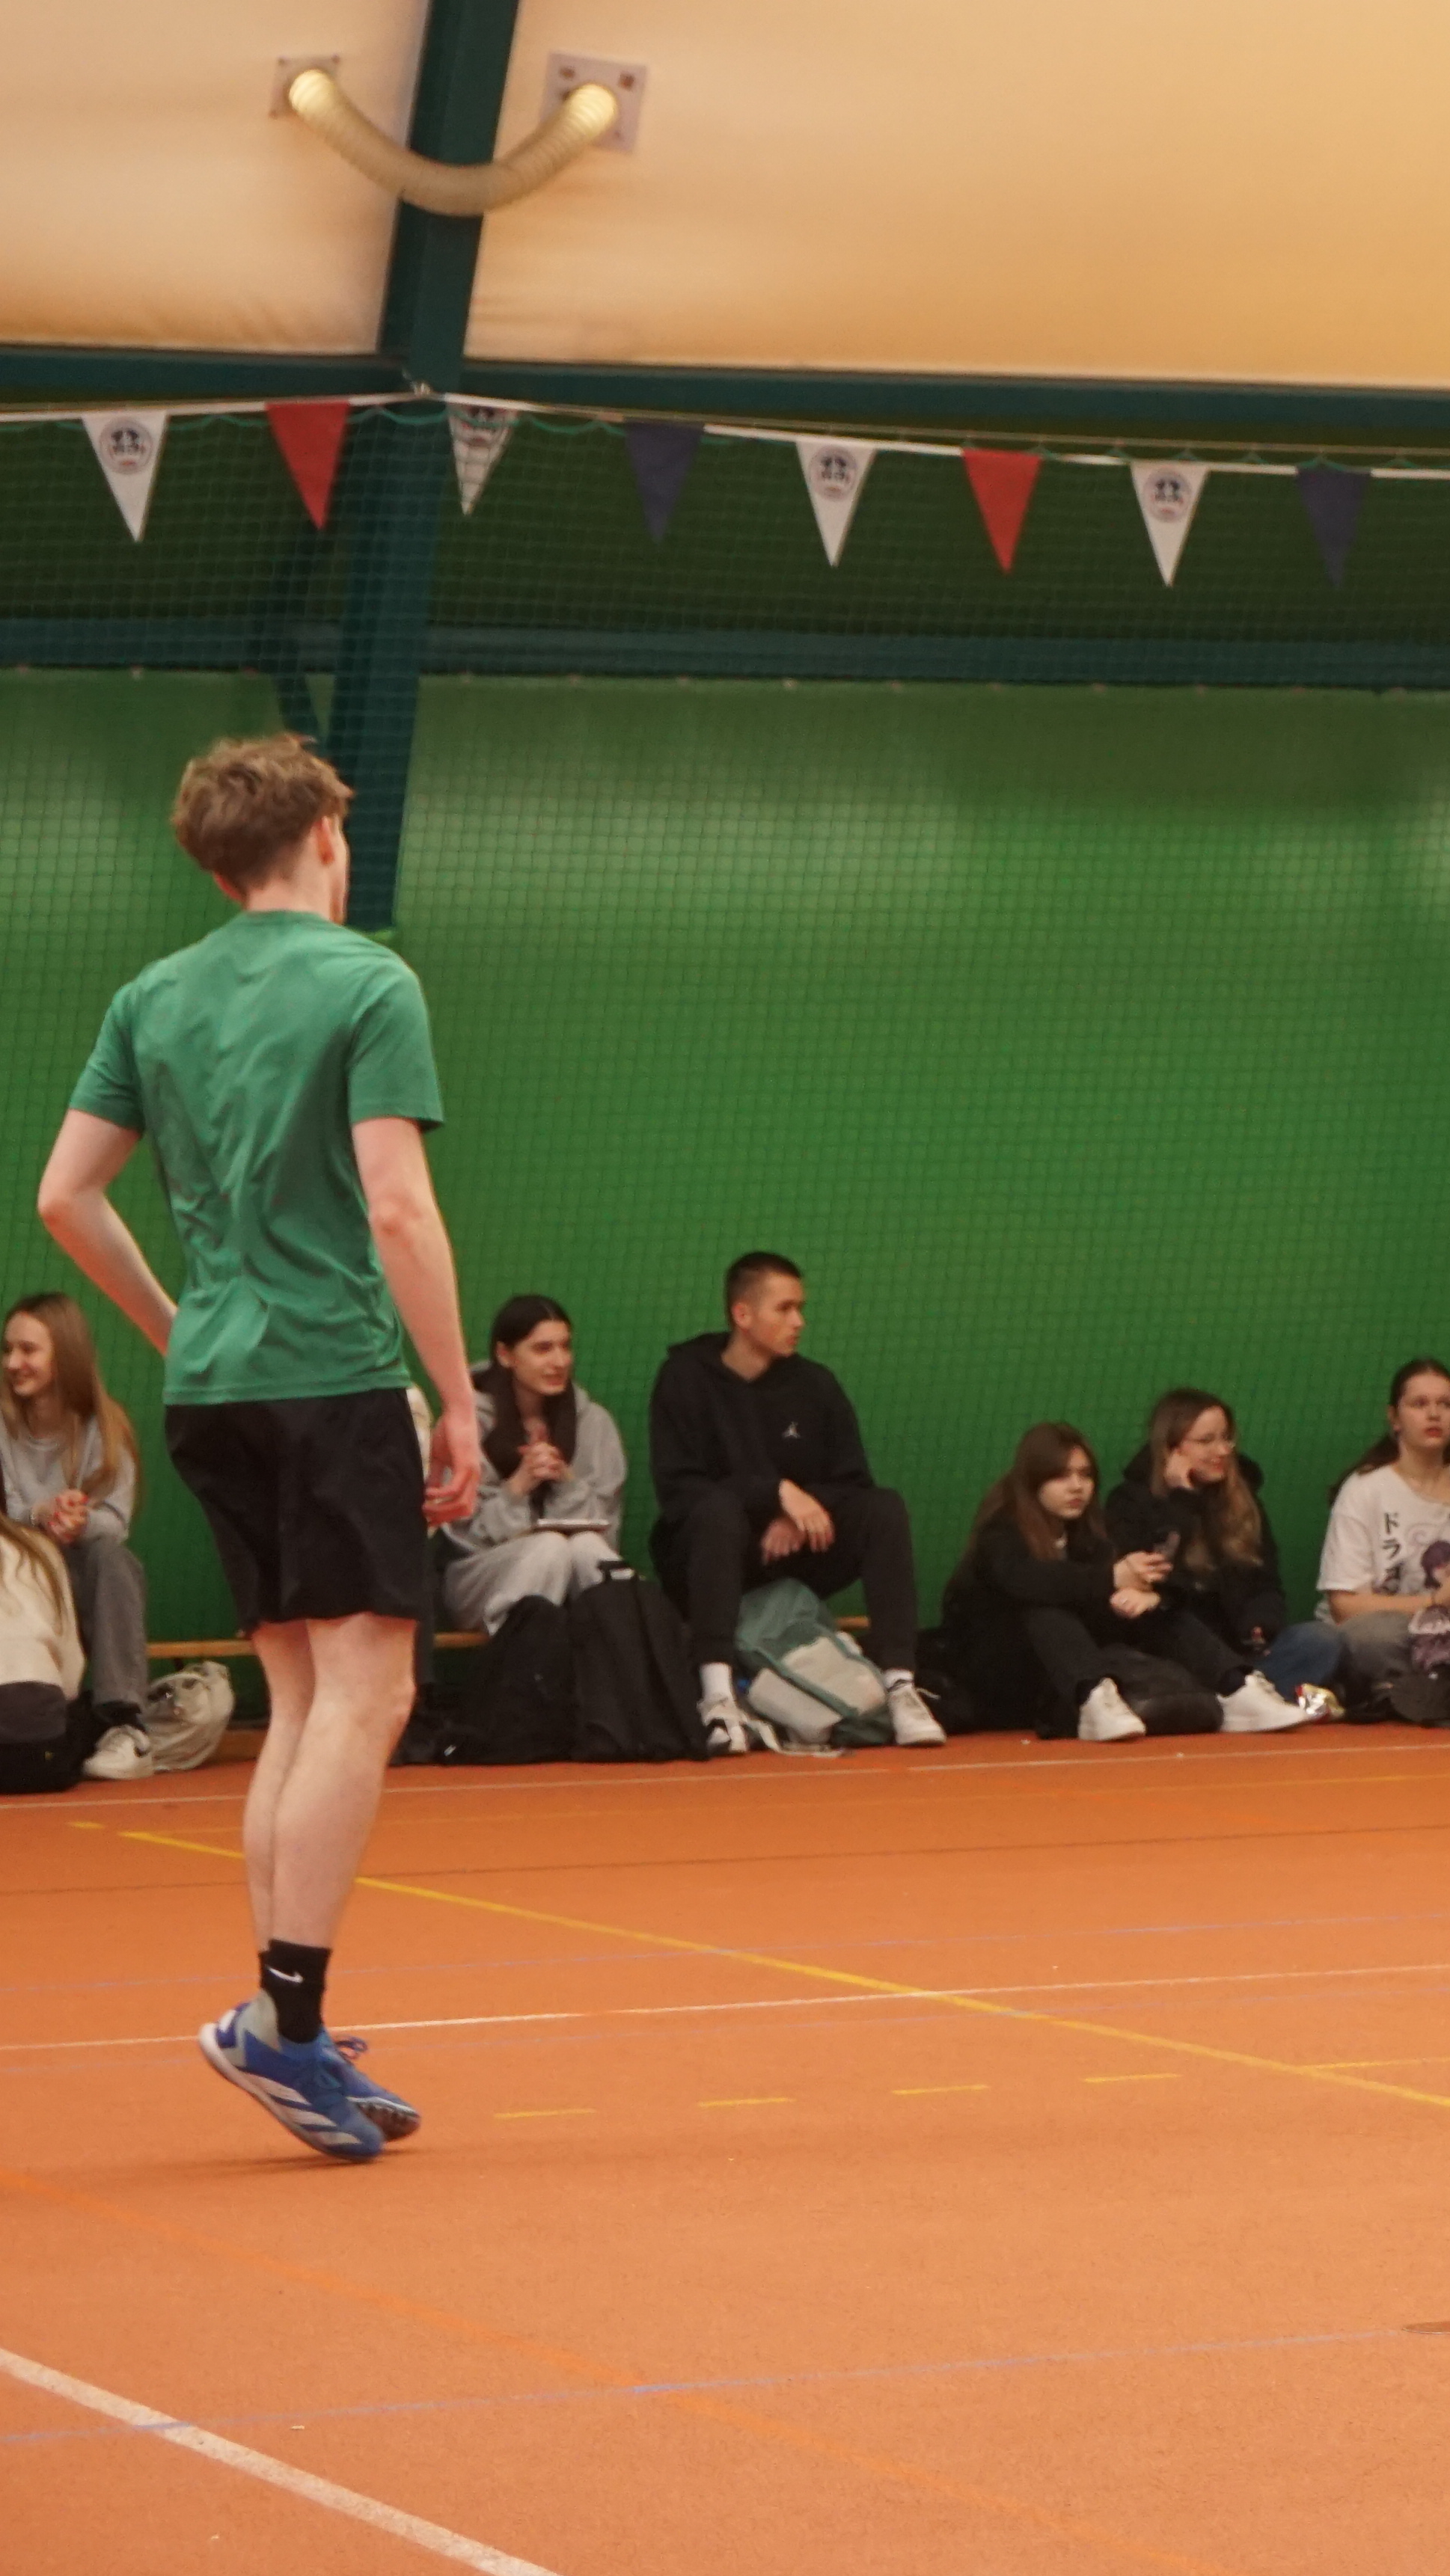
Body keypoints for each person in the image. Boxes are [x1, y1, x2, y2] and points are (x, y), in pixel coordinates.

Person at [32, 732, 483, 2160]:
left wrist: (177, 1327)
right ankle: (282, 2028)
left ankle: (290, 2018)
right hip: (329, 1377)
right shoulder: (369, 981)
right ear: (326, 837)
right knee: (368, 1696)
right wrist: (456, 1394)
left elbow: (64, 1197)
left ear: (221, 864)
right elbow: (398, 1207)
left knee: (299, 1701)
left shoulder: (152, 996)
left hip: (214, 1387)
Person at [649, 1254, 934, 1753]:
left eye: (801, 1308)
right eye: (784, 1309)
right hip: (710, 1558)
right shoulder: (684, 1378)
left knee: (883, 1509)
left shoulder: (815, 1385)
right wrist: (775, 1491)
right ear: (742, 1314)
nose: (798, 1321)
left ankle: (900, 1687)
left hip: (793, 1554)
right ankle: (718, 1698)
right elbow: (679, 1488)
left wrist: (797, 1514)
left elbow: (853, 1481)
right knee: (716, 1512)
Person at [944, 1422, 1318, 1741]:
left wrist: (1148, 1598)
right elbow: (1028, 1582)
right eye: (1061, 1476)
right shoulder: (1002, 1533)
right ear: (1032, 1482)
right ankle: (1093, 1699)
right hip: (1002, 1679)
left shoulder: (1088, 1536)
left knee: (1154, 1609)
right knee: (1046, 1609)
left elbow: (1145, 1575)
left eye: (1085, 1475)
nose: (1077, 1487)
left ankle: (1237, 1688)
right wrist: (1112, 1578)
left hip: (1063, 1674)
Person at [1107, 1388, 1350, 1714]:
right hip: (1176, 1652)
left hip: (1241, 1652)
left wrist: (1263, 1620)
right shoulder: (1129, 1503)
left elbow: (1266, 1583)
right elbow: (1157, 1580)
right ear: (1172, 1447)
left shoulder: (1242, 1500)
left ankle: (1239, 1699)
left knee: (1321, 1640)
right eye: (1206, 1441)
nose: (1222, 1450)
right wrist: (1182, 1500)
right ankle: (1244, 1699)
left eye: (1226, 1438)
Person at [2, 1292, 154, 1782]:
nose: (13, 1363)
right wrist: (43, 1513)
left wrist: (79, 1520)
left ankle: (124, 1723)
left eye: (28, 1350)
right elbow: (10, 1510)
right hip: (22, 1571)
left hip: (78, 1566)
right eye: (8, 1350)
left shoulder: (106, 1427)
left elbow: (116, 1521)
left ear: (64, 1354)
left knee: (115, 1561)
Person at [1314, 1359, 1450, 1723]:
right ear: (1395, 1417)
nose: (1434, 1414)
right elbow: (1344, 1607)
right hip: (1392, 1631)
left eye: (1445, 1404)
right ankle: (1436, 1692)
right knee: (1371, 1637)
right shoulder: (1365, 1490)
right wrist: (1433, 1601)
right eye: (1419, 1404)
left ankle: (1436, 1693)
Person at [437, 1294, 625, 1632]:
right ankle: (520, 1655)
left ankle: (625, 1653)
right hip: (479, 1576)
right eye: (543, 1349)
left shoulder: (594, 1422)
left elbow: (607, 1536)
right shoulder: (466, 1425)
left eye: (565, 1347)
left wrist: (565, 1481)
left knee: (586, 1549)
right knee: (549, 1548)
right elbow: (463, 1539)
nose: (559, 1361)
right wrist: (518, 1488)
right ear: (505, 1355)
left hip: (573, 1574)